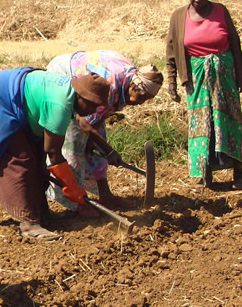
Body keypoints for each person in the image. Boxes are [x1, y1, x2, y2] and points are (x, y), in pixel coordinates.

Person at [0, 66, 110, 240]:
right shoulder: (60, 104)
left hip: (13, 96)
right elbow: (53, 152)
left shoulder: (69, 95)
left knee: (37, 158)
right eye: (92, 105)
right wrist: (72, 187)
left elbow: (46, 150)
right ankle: (28, 224)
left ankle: (41, 212)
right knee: (21, 161)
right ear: (80, 96)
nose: (93, 111)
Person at [165, 0, 242, 189]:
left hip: (224, 74)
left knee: (229, 120)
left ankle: (237, 174)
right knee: (202, 123)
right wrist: (172, 82)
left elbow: (235, 44)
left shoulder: (221, 11)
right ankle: (206, 175)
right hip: (196, 76)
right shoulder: (178, 17)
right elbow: (172, 52)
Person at [46, 50, 162, 210]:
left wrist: (99, 143)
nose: (140, 103)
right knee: (75, 143)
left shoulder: (129, 79)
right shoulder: (110, 85)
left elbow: (98, 118)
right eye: (141, 97)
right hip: (64, 73)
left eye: (146, 100)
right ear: (134, 86)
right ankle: (76, 202)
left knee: (97, 139)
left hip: (90, 84)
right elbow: (84, 122)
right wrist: (109, 152)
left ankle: (105, 195)